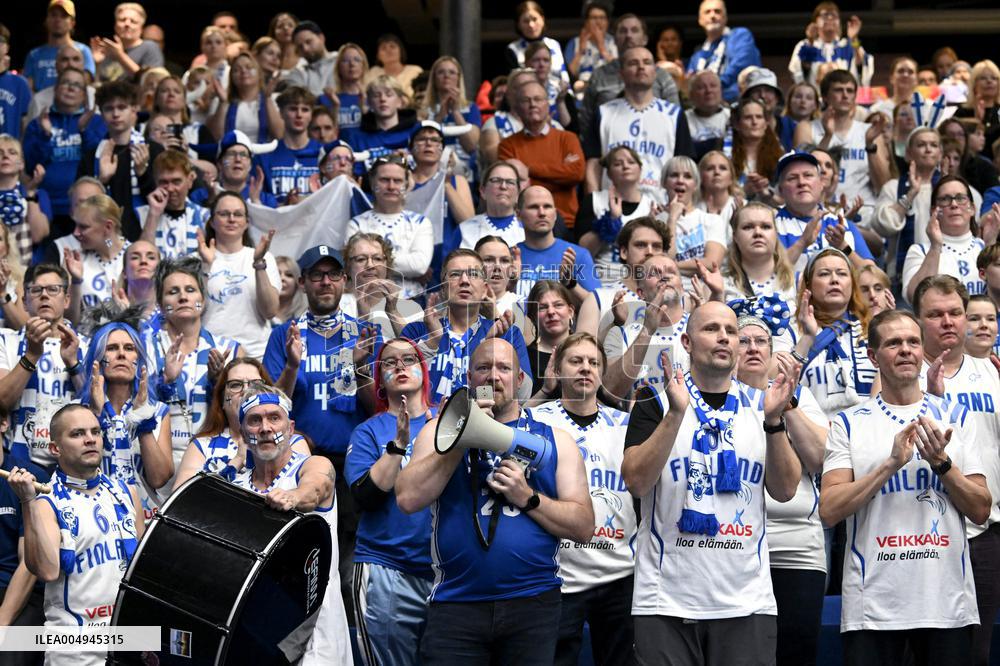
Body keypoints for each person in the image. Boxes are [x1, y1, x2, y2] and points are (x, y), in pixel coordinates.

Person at [621, 301, 801, 665]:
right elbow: (636, 482)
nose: (723, 338)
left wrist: (775, 422)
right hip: (666, 601)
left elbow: (785, 490)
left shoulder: (762, 404)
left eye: (731, 331)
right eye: (711, 329)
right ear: (686, 342)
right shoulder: (656, 403)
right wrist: (676, 414)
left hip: (747, 600)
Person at [396, 337, 593, 665]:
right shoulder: (437, 431)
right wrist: (463, 435)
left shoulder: (554, 439)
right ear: (470, 377)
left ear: (519, 380)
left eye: (504, 368)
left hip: (533, 603)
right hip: (457, 604)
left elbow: (584, 526)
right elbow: (407, 498)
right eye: (483, 368)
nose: (493, 376)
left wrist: (527, 498)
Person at [820, 308, 990, 665]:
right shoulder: (849, 423)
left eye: (913, 341)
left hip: (946, 604)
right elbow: (830, 509)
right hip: (873, 608)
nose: (906, 350)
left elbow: (981, 508)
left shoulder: (956, 416)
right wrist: (890, 465)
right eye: (894, 343)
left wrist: (941, 464)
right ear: (873, 356)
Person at [527, 332, 636, 666]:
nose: (585, 368)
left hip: (619, 572)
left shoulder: (626, 424)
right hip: (559, 574)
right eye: (576, 361)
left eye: (593, 362)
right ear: (557, 370)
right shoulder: (535, 421)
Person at [8, 404, 143, 666]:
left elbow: (144, 572)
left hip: (128, 641)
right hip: (74, 650)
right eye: (77, 433)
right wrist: (27, 503)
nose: (91, 438)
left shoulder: (127, 493)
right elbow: (46, 571)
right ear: (55, 448)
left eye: (95, 431)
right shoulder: (47, 502)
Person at [913, 276, 1000, 665]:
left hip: (986, 527)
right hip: (921, 532)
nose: (947, 321)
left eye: (955, 313)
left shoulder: (991, 370)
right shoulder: (902, 370)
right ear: (918, 321)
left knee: (975, 653)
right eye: (935, 314)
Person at [732, 315, 829, 666]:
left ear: (774, 355)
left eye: (762, 342)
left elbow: (819, 458)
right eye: (744, 341)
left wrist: (787, 403)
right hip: (734, 546)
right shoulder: (715, 399)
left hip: (797, 546)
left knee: (795, 652)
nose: (753, 348)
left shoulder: (800, 398)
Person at [232, 386, 352, 664]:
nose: (265, 428)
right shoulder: (236, 487)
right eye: (254, 420)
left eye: (274, 418)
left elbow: (316, 488)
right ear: (242, 432)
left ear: (291, 427)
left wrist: (293, 497)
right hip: (260, 629)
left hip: (316, 628)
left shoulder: (311, 465)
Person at [345, 338, 435, 666]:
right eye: (389, 362)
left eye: (409, 359)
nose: (399, 366)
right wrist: (397, 447)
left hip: (446, 575)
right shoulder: (368, 432)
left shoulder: (447, 422)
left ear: (424, 372)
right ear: (380, 380)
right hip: (386, 568)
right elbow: (365, 497)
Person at [143, 256, 240, 494]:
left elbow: (242, 411)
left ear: (203, 301)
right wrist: (163, 381)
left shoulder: (228, 348)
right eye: (173, 292)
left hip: (212, 457)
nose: (183, 297)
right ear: (160, 302)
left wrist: (218, 383)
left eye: (190, 290)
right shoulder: (142, 345)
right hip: (156, 460)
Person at [172, 357, 309, 487]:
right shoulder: (202, 446)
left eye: (255, 384)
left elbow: (301, 491)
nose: (246, 390)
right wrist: (237, 461)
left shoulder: (292, 441)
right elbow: (181, 501)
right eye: (236, 385)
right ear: (222, 400)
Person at [0, 264, 84, 473]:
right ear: (25, 302)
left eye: (53, 289)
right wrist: (32, 355)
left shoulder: (85, 344)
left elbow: (95, 405)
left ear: (66, 300)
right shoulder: (5, 340)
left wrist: (73, 363)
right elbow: (1, 401)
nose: (44, 295)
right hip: (18, 464)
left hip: (72, 463)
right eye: (36, 290)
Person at [584, 46, 694, 199]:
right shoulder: (603, 113)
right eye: (633, 63)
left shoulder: (674, 115)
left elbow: (684, 166)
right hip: (611, 206)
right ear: (621, 74)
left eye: (647, 62)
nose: (641, 67)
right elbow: (593, 165)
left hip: (660, 206)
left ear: (655, 72)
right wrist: (593, 204)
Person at [793, 70, 891, 223]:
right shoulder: (806, 128)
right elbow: (801, 171)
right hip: (819, 212)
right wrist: (828, 136)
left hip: (864, 212)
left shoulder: (869, 131)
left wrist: (870, 145)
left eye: (850, 91)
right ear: (825, 96)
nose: (845, 95)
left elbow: (884, 186)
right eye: (838, 90)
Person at [793, 247, 876, 418]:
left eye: (842, 274)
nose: (834, 280)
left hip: (868, 430)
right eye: (824, 274)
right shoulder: (793, 329)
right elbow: (775, 381)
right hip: (813, 431)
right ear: (808, 285)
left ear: (852, 284)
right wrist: (808, 338)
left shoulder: (873, 328)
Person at [198, 192, 280, 358]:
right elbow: (194, 310)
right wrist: (206, 266)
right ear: (212, 221)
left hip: (257, 355)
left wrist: (258, 264)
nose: (231, 219)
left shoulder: (265, 259)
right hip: (210, 353)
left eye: (238, 214)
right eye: (224, 214)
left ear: (246, 223)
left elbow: (270, 311)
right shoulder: (195, 260)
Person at [77, 80, 159, 241]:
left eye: (122, 107)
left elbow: (162, 198)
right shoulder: (92, 155)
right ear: (101, 111)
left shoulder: (153, 150)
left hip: (146, 232)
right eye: (109, 108)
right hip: (105, 238)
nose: (115, 114)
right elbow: (80, 203)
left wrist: (143, 174)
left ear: (134, 108)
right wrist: (102, 180)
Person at [498, 81, 586, 228]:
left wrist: (529, 171)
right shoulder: (507, 145)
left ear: (547, 104)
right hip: (524, 224)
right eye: (526, 100)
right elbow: (513, 189)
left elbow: (576, 174)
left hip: (566, 222)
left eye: (538, 99)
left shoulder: (568, 138)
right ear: (517, 108)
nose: (533, 104)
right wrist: (561, 174)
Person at [579, 14, 681, 140]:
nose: (628, 35)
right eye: (623, 31)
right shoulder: (599, 75)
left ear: (645, 39)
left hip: (655, 146)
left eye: (634, 30)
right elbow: (586, 122)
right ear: (615, 39)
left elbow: (676, 119)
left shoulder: (661, 76)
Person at [23, 67, 104, 222]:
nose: (71, 88)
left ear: (84, 94)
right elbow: (30, 166)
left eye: (77, 85)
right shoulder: (38, 123)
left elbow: (98, 162)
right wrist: (45, 136)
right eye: (65, 82)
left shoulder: (96, 122)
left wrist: (84, 130)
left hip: (87, 206)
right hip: (47, 206)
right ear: (55, 88)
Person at [346, 155, 433, 299]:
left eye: (397, 181)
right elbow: (354, 266)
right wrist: (406, 268)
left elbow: (419, 265)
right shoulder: (356, 224)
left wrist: (371, 262)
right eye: (384, 180)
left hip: (413, 304)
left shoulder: (421, 223)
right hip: (368, 303)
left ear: (406, 184)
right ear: (373, 183)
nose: (391, 186)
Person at [604, 254, 689, 399]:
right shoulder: (621, 334)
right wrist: (646, 331)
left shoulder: (698, 328)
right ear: (640, 293)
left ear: (682, 287)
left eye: (671, 272)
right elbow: (611, 393)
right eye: (654, 274)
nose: (664, 277)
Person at [0, 404, 47, 666]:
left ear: (4, 423)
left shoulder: (31, 477)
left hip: (20, 594)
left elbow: (29, 565)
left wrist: (2, 624)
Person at [775, 150, 875, 272]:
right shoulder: (769, 224)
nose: (801, 182)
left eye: (808, 175)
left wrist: (843, 246)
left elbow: (872, 275)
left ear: (821, 184)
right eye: (792, 178)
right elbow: (767, 276)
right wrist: (801, 243)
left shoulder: (842, 224)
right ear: (780, 190)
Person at [578, 215, 670, 340]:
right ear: (623, 252)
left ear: (664, 254)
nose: (650, 251)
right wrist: (615, 325)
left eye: (656, 246)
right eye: (641, 245)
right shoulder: (599, 298)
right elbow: (581, 352)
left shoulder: (677, 299)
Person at [577, 145, 659, 285]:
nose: (625, 166)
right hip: (602, 279)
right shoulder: (594, 200)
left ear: (640, 169)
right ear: (608, 173)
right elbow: (583, 251)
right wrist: (611, 221)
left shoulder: (652, 206)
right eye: (617, 164)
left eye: (631, 162)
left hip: (640, 283)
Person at [873, 127, 943, 280]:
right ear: (909, 153)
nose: (928, 149)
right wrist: (910, 194)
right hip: (901, 277)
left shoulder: (951, 189)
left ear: (940, 154)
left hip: (944, 273)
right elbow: (883, 226)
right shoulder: (892, 187)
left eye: (934, 145)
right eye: (921, 145)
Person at [902, 175, 985, 304]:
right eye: (945, 199)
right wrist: (935, 247)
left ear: (972, 208)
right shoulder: (920, 251)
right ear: (934, 210)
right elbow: (915, 297)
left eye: (960, 198)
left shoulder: (983, 247)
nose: (954, 204)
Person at [514, 186, 599, 301]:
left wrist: (570, 284)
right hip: (518, 318)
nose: (542, 213)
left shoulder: (577, 255)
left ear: (555, 213)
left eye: (547, 206)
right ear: (518, 215)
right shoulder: (508, 257)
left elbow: (597, 306)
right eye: (533, 207)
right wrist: (510, 284)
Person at [63, 193, 128, 321]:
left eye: (83, 227)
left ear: (108, 227)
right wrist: (76, 281)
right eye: (76, 225)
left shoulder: (136, 257)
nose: (76, 233)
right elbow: (69, 321)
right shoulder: (74, 262)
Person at [661, 155, 725, 285]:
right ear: (664, 182)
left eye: (687, 176)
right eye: (674, 175)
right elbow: (662, 260)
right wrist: (672, 219)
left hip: (706, 291)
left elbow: (712, 263)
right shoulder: (654, 221)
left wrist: (672, 265)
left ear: (696, 185)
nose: (680, 180)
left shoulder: (712, 220)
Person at [136, 151, 209, 260]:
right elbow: (142, 259)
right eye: (163, 182)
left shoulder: (205, 216)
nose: (170, 189)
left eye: (176, 182)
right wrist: (153, 214)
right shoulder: (141, 215)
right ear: (155, 182)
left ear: (189, 181)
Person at [421, 57, 481, 183]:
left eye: (452, 72)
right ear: (434, 78)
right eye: (441, 72)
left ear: (459, 78)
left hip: (465, 174)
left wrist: (455, 112)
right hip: (431, 173)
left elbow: (472, 146)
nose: (446, 76)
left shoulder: (471, 108)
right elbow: (421, 141)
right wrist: (441, 115)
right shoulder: (423, 109)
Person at [687, 0, 762, 102]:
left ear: (725, 18)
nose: (712, 15)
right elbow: (691, 83)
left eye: (717, 11)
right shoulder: (697, 56)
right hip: (707, 108)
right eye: (707, 12)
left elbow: (739, 65)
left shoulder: (740, 36)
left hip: (740, 105)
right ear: (700, 20)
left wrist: (713, 86)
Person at [257, 86, 320, 205]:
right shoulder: (265, 155)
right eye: (293, 109)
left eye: (305, 109)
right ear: (281, 113)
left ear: (311, 115)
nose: (299, 115)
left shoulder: (323, 154)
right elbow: (257, 197)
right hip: (276, 221)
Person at [789, 2, 872, 89]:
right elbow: (799, 73)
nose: (830, 18)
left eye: (834, 16)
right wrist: (810, 42)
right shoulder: (805, 45)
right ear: (815, 21)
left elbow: (861, 67)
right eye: (825, 15)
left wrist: (854, 39)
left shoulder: (847, 45)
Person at [207, 52, 283, 144]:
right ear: (231, 78)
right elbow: (216, 138)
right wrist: (223, 103)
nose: (243, 71)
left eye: (249, 67)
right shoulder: (220, 101)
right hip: (233, 156)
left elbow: (279, 135)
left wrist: (267, 99)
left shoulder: (274, 99)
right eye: (236, 70)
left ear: (259, 74)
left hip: (267, 156)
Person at [0, 135, 52, 266]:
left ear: (21, 163)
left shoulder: (39, 195)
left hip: (27, 273)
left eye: (12, 152)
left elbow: (38, 235)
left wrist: (30, 193)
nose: (5, 156)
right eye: (0, 153)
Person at [451, 161, 525, 253]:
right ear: (482, 191)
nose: (503, 186)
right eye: (496, 180)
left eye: (510, 182)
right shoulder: (464, 230)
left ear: (518, 193)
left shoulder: (528, 230)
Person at [341, 75, 419, 162]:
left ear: (400, 101)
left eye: (389, 95)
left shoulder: (416, 132)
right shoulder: (355, 136)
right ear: (369, 102)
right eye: (376, 96)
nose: (383, 99)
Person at [22, 0, 95, 92]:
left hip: (73, 102)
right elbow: (27, 89)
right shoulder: (34, 55)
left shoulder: (83, 51)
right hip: (42, 104)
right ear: (46, 20)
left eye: (63, 16)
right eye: (53, 15)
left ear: (72, 23)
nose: (58, 20)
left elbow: (85, 84)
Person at [523, 280, 575, 397]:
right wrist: (545, 390)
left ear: (570, 312)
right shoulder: (524, 358)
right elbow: (519, 411)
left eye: (558, 305)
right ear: (533, 317)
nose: (551, 312)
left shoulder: (587, 353)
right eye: (542, 307)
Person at [506, 1, 569, 94]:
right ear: (518, 24)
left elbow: (566, 76)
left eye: (534, 19)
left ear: (542, 20)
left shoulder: (554, 45)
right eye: (526, 21)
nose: (531, 25)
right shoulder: (512, 49)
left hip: (560, 97)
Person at [92, 2, 164, 83]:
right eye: (122, 20)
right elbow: (96, 84)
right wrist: (97, 64)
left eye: (133, 21)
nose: (127, 24)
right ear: (115, 26)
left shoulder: (150, 47)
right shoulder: (107, 50)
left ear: (141, 28)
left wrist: (120, 56)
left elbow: (152, 82)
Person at [728, 99, 783, 199]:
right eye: (748, 117)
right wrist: (744, 191)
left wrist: (767, 193)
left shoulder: (780, 156)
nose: (754, 122)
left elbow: (785, 200)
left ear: (766, 124)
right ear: (737, 124)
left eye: (759, 117)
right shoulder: (725, 155)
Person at [564, 2, 617, 91]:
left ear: (607, 22)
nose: (598, 22)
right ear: (586, 22)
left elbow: (620, 70)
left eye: (602, 18)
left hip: (609, 91)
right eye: (594, 18)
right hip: (581, 95)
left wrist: (602, 50)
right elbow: (568, 75)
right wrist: (580, 51)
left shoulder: (615, 42)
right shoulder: (575, 42)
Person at [283, 20, 337, 97]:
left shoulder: (342, 60)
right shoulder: (297, 74)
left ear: (321, 38)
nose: (305, 49)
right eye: (300, 47)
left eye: (308, 42)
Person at [685, 71, 729, 162]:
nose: (708, 91)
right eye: (701, 87)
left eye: (713, 86)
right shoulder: (682, 119)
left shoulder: (732, 117)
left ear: (721, 91)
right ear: (691, 95)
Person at [322, 42, 367, 133]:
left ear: (363, 65)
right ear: (338, 67)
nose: (352, 64)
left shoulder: (374, 99)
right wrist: (335, 106)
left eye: (357, 60)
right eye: (345, 60)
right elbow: (325, 135)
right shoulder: (325, 100)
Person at [366, 34, 422, 102]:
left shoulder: (415, 71)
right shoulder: (373, 72)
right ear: (378, 56)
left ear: (400, 51)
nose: (388, 50)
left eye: (392, 46)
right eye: (383, 48)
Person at [0, 25, 31, 140]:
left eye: (0, 40)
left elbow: (25, 123)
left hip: (10, 154)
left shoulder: (20, 83)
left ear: (7, 48)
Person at [275, 255, 307, 323]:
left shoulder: (305, 316)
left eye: (289, 275)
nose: (282, 278)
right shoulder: (256, 312)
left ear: (297, 282)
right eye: (277, 273)